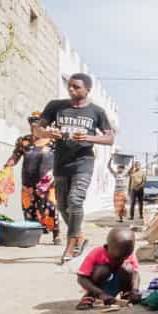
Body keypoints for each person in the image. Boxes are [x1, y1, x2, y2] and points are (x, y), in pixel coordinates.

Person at [38, 73, 115, 263]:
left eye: (76, 87)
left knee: (75, 200)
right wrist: (48, 132)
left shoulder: (96, 112)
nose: (71, 90)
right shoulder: (55, 106)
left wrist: (88, 138)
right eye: (70, 86)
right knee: (63, 206)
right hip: (61, 162)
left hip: (84, 162)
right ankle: (80, 237)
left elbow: (109, 138)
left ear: (87, 89)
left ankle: (70, 247)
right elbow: (38, 129)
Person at [5, 111, 60, 244]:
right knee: (30, 210)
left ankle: (56, 234)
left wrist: (55, 173)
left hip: (47, 182)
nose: (34, 126)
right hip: (27, 182)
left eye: (37, 123)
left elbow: (61, 159)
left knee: (50, 207)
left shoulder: (53, 141)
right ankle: (34, 236)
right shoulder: (23, 141)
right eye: (32, 123)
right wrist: (9, 164)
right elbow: (16, 155)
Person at [75, 227, 141, 310]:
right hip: (97, 287)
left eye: (125, 257)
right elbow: (81, 278)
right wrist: (100, 293)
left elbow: (136, 274)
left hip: (119, 282)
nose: (121, 261)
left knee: (127, 268)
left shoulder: (128, 254)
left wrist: (135, 290)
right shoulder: (97, 253)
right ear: (106, 247)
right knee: (102, 270)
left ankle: (126, 294)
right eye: (117, 258)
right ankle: (90, 296)